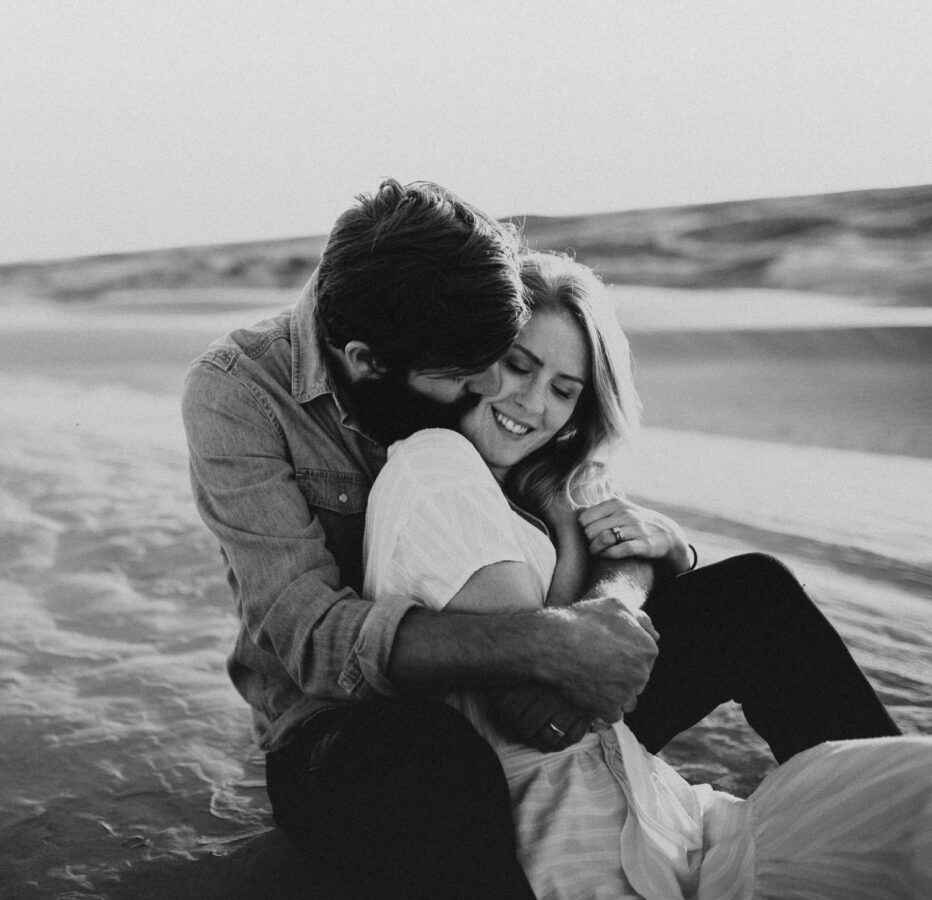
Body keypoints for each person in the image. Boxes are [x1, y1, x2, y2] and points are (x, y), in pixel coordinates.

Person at [182, 179, 902, 899]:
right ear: (370, 361)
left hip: (548, 709)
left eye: (517, 363)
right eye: (485, 370)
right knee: (424, 756)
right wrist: (545, 646)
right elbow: (309, 637)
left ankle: (897, 835)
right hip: (355, 729)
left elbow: (604, 511)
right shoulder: (245, 393)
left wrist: (617, 599)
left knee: (754, 595)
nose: (496, 385)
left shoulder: (458, 318)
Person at [362, 250, 932, 899]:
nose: (534, 403)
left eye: (565, 390)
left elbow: (611, 558)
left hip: (634, 783)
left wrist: (663, 549)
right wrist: (623, 579)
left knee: (761, 602)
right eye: (518, 365)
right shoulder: (440, 465)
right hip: (556, 790)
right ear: (475, 355)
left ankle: (858, 784)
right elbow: (540, 695)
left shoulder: (540, 487)